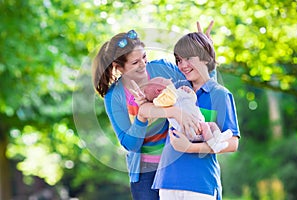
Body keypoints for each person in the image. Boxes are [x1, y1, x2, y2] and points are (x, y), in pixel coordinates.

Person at [92, 29, 200, 200]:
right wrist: (142, 117)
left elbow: (197, 92)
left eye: (144, 57)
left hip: (176, 163)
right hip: (145, 174)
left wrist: (206, 58)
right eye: (135, 62)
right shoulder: (115, 96)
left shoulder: (163, 69)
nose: (143, 64)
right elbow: (130, 144)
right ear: (119, 68)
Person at [150, 29, 241, 199]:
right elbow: (150, 110)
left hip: (200, 183)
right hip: (167, 180)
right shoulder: (176, 92)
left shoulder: (219, 95)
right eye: (179, 60)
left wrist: (190, 147)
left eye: (188, 58)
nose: (182, 65)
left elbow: (232, 143)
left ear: (205, 57)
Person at [142, 76, 233, 153]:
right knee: (205, 127)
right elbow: (154, 107)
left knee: (212, 125)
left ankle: (218, 137)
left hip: (196, 122)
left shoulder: (176, 92)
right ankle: (214, 144)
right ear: (159, 90)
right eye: (163, 80)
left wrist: (189, 92)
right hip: (189, 128)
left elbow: (191, 101)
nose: (168, 79)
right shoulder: (165, 100)